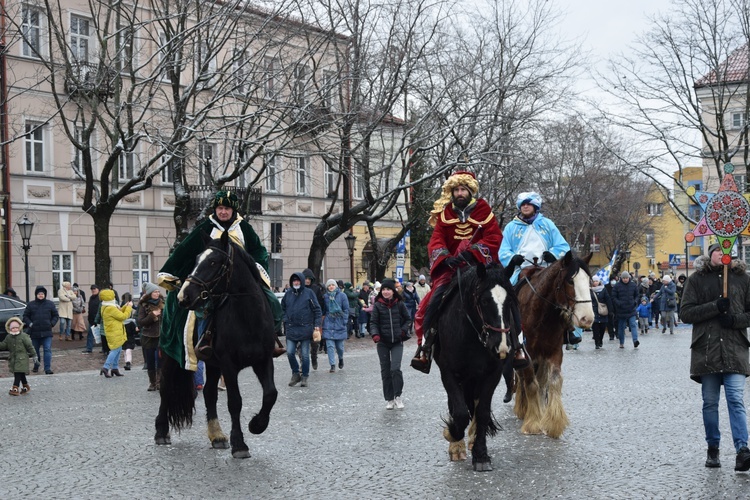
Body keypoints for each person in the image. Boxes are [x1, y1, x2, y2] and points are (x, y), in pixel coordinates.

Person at [156, 190, 284, 374]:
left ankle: (271, 339)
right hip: (215, 284)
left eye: (227, 208)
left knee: (271, 300)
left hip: (241, 282)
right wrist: (171, 271)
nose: (223, 212)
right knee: (202, 310)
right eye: (220, 208)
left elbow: (260, 251)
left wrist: (255, 270)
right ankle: (204, 342)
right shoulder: (205, 227)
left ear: (233, 210)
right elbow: (184, 251)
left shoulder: (244, 228)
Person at [411, 171, 503, 373]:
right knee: (431, 304)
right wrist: (446, 257)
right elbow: (436, 240)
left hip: (480, 268)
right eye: (456, 190)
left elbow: (494, 237)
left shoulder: (484, 211)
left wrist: (473, 253)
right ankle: (425, 347)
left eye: (463, 189)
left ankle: (516, 345)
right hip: (452, 270)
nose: (460, 193)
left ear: (470, 191)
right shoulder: (445, 215)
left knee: (506, 298)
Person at [680, 242, 750, 471]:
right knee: (710, 403)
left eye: (726, 251)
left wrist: (735, 320)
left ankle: (742, 450)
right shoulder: (696, 279)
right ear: (710, 255)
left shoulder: (743, 279)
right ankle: (713, 448)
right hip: (707, 351)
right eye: (718, 251)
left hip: (735, 351)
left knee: (736, 400)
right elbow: (685, 313)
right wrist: (714, 307)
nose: (722, 254)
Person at [498, 191, 570, 286]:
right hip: (520, 271)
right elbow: (503, 250)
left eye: (528, 204)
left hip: (546, 269)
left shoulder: (547, 224)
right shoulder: (511, 227)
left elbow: (563, 246)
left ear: (535, 207)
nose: (525, 206)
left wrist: (553, 255)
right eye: (523, 204)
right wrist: (513, 259)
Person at [370, 279, 411, 409]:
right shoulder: (378, 305)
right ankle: (389, 399)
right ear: (381, 291)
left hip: (397, 342)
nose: (386, 292)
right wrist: (375, 334)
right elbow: (373, 322)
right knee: (385, 371)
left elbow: (408, 319)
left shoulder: (399, 304)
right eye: (383, 290)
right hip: (382, 342)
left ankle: (398, 396)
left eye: (388, 289)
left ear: (393, 291)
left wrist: (403, 331)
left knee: (395, 368)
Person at [281, 272, 322, 387]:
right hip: (291, 328)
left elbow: (317, 310)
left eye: (298, 280)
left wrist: (317, 324)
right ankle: (295, 374)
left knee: (304, 355)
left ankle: (304, 376)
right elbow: (282, 308)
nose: (296, 282)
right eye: (294, 281)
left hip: (305, 328)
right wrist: (285, 319)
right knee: (289, 352)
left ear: (302, 281)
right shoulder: (288, 294)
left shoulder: (309, 293)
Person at [23, 286, 59, 375]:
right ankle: (36, 365)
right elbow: (25, 316)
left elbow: (55, 315)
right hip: (34, 332)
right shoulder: (31, 304)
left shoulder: (50, 304)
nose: (40, 295)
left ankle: (47, 368)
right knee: (35, 351)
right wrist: (30, 323)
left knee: (47, 350)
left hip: (47, 332)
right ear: (36, 295)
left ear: (44, 295)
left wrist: (52, 323)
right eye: (39, 294)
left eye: (42, 294)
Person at [99, 289, 133, 378]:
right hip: (114, 332)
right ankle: (106, 367)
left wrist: (125, 306)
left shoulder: (106, 306)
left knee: (118, 349)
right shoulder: (110, 308)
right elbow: (123, 316)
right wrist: (129, 307)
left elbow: (119, 312)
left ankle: (115, 368)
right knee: (115, 350)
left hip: (114, 331)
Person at [137, 282, 164, 391]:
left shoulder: (163, 304)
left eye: (158, 291)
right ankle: (152, 383)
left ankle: (159, 382)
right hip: (148, 337)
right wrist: (153, 315)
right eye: (154, 292)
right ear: (149, 293)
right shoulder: (144, 305)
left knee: (160, 360)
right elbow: (140, 321)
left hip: (161, 337)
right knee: (151, 361)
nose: (157, 294)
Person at [0, 317, 36, 395]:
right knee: (21, 373)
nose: (15, 329)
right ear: (9, 329)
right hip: (13, 358)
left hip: (22, 358)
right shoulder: (9, 337)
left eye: (16, 327)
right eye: (13, 328)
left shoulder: (24, 336)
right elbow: (3, 345)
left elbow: (30, 346)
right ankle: (26, 386)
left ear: (19, 327)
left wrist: (34, 355)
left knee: (17, 372)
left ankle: (15, 388)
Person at [321, 279, 349, 373]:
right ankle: (332, 365)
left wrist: (344, 321)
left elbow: (346, 309)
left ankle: (341, 358)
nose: (331, 287)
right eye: (329, 285)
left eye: (333, 285)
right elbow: (323, 310)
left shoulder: (342, 296)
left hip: (339, 322)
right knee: (329, 346)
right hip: (328, 323)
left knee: (340, 347)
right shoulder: (325, 297)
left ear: (336, 286)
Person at [303, 268, 326, 369]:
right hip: (303, 319)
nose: (307, 280)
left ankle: (314, 357)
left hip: (314, 318)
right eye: (305, 278)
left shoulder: (316, 289)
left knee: (315, 342)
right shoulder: (300, 288)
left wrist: (320, 316)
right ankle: (303, 363)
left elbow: (320, 303)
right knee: (302, 342)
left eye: (309, 278)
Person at [611, 271, 640, 349]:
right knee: (621, 327)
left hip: (631, 309)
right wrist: (618, 303)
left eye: (626, 278)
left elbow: (637, 295)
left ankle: (635, 341)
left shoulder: (633, 285)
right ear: (621, 278)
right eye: (623, 278)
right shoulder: (617, 286)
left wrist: (635, 302)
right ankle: (621, 342)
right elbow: (613, 297)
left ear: (629, 278)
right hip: (621, 310)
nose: (625, 280)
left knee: (633, 325)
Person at [591, 277, 613, 349]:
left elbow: (608, 299)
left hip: (603, 311)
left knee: (602, 328)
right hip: (593, 311)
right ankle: (596, 343)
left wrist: (610, 310)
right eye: (594, 281)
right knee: (595, 328)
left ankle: (600, 340)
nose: (595, 283)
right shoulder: (589, 290)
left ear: (599, 282)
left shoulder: (603, 289)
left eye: (597, 281)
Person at [120, 292, 138, 371]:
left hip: (123, 324)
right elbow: (135, 309)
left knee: (125, 347)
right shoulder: (130, 303)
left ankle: (127, 362)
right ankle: (128, 362)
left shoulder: (123, 303)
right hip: (129, 322)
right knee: (128, 347)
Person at [82, 285, 100, 354]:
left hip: (98, 319)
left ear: (98, 289)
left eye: (94, 289)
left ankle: (105, 349)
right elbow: (90, 309)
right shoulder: (91, 298)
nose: (93, 290)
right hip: (91, 319)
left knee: (102, 335)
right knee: (90, 334)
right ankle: (89, 348)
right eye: (92, 289)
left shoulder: (100, 298)